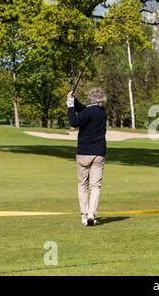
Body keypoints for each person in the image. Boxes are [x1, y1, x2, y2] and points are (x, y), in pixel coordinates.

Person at [67, 88, 107, 226]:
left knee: (83, 184)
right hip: (99, 153)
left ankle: (84, 215)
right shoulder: (102, 111)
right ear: (102, 99)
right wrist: (74, 99)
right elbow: (85, 109)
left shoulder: (87, 112)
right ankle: (91, 213)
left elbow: (74, 121)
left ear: (91, 98)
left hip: (84, 152)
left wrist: (70, 105)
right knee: (95, 186)